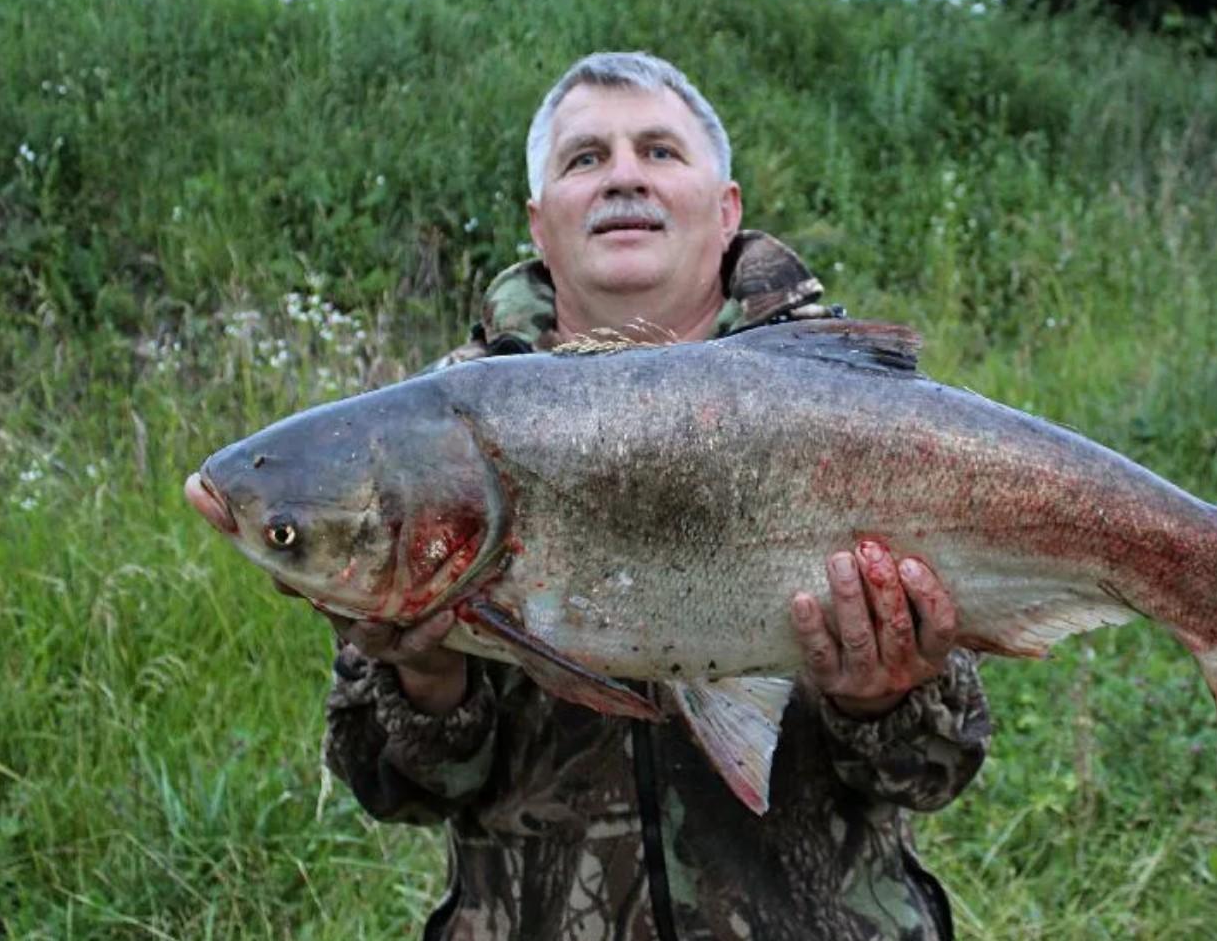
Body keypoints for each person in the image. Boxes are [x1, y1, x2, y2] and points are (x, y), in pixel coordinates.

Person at [321, 52, 992, 940]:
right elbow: (395, 789)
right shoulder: (425, 438)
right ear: (541, 224)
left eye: (660, 151)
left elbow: (936, 769)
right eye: (584, 158)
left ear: (727, 210)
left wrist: (880, 698)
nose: (624, 175)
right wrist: (425, 675)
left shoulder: (858, 407)